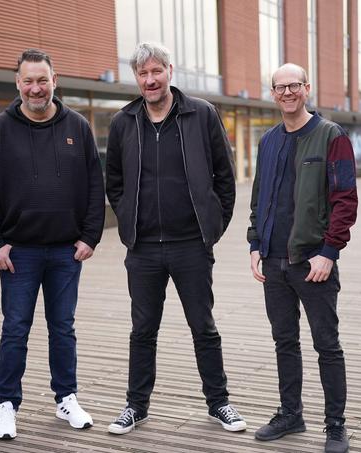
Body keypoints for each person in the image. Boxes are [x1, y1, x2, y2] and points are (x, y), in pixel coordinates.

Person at [104, 41, 245, 435]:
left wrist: (212, 227)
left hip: (191, 246)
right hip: (144, 248)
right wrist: (129, 219)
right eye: (143, 74)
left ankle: (219, 403)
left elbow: (225, 176)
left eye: (156, 71)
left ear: (170, 70)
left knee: (203, 327)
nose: (150, 80)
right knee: (142, 330)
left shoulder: (201, 114)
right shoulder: (123, 122)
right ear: (136, 78)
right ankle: (136, 406)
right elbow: (113, 181)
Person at [0, 49, 106, 439]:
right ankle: (7, 405)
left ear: (55, 80)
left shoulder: (78, 126)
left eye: (43, 80)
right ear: (18, 84)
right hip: (19, 252)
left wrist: (90, 236)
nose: (36, 88)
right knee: (15, 328)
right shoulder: (0, 129)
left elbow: (94, 186)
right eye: (28, 81)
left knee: (62, 327)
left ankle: (66, 397)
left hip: (67, 251)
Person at [247, 63, 357, 452]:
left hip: (313, 262)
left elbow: (345, 201)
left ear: (307, 88)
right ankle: (290, 414)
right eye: (280, 87)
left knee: (327, 345)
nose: (288, 92)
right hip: (274, 261)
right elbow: (261, 196)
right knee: (284, 341)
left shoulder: (331, 136)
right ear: (273, 94)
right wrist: (254, 243)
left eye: (295, 85)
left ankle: (336, 426)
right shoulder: (269, 141)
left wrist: (329, 252)